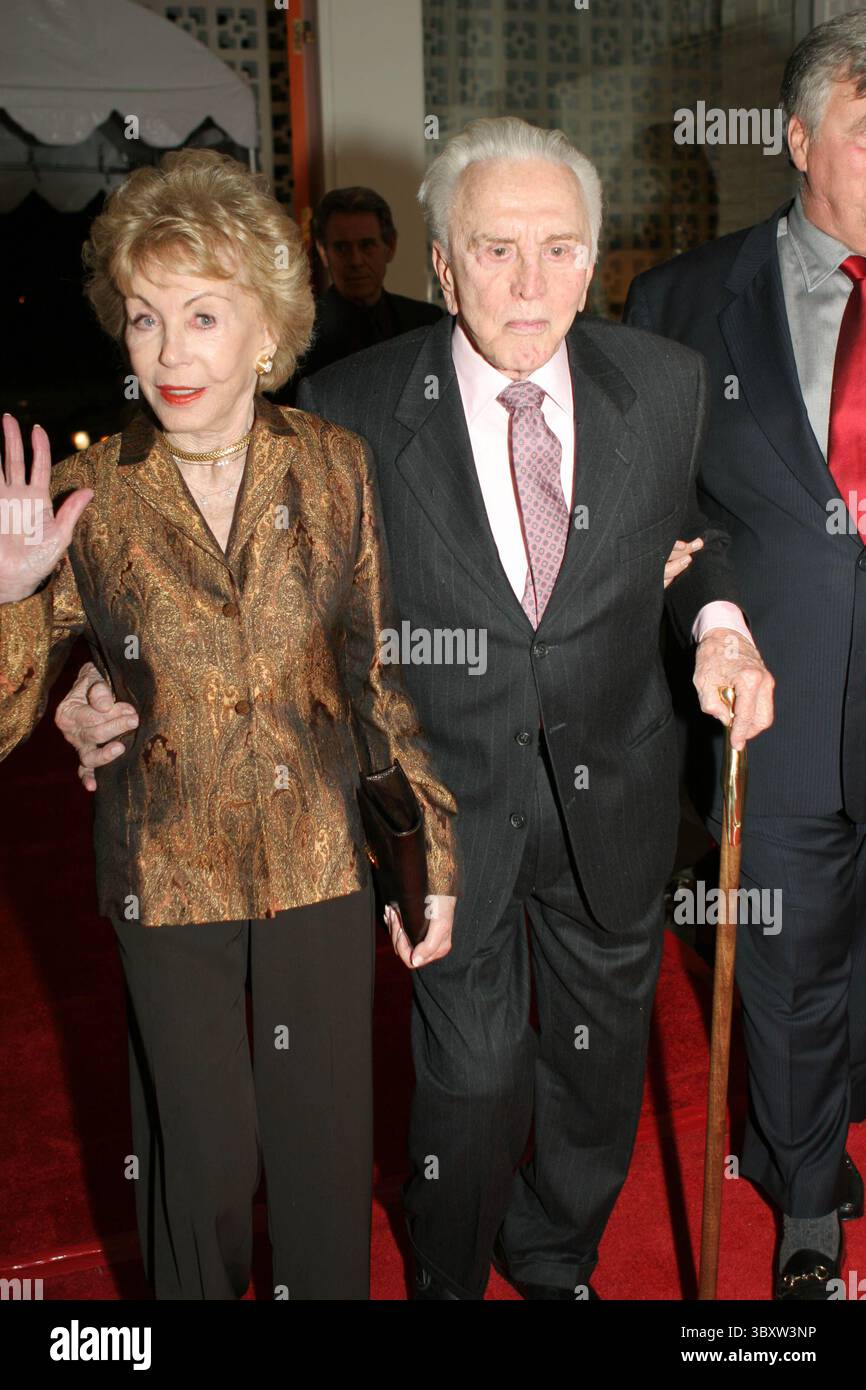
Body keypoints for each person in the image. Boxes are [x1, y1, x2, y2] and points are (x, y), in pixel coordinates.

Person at [53, 117, 775, 1301]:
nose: (528, 282)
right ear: (440, 263)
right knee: (473, 1076)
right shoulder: (349, 409)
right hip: (441, 803)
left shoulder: (665, 384)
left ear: (593, 260)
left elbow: (698, 538)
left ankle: (553, 1253)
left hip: (619, 788)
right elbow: (269, 593)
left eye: (557, 248)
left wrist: (719, 625)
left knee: (594, 1078)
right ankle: (444, 1270)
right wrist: (113, 676)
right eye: (493, 249)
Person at [0, 148, 460, 1301]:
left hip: (315, 855)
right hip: (169, 862)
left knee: (316, 1159)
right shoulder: (89, 493)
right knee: (202, 1162)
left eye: (203, 316)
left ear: (267, 327)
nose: (169, 353)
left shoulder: (337, 466)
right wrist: (12, 596)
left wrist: (430, 851)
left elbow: (375, 682)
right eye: (145, 320)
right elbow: (10, 714)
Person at [623, 9, 866, 1300]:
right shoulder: (679, 302)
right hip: (773, 698)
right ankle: (804, 1198)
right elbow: (662, 511)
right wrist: (710, 620)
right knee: (786, 964)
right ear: (794, 139)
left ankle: (825, 1127)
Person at [277, 187, 442, 395]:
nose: (355, 261)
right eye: (342, 248)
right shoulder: (296, 332)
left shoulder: (428, 323)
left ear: (390, 246)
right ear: (323, 252)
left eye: (367, 245)